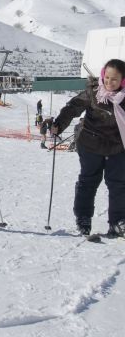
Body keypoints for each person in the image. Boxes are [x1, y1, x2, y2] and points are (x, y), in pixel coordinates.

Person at [51, 59, 125, 237]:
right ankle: (83, 218)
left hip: (117, 147)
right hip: (91, 144)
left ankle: (118, 221)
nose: (109, 82)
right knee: (88, 181)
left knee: (119, 185)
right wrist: (58, 125)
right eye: (106, 77)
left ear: (123, 80)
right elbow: (73, 107)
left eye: (114, 79)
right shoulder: (93, 92)